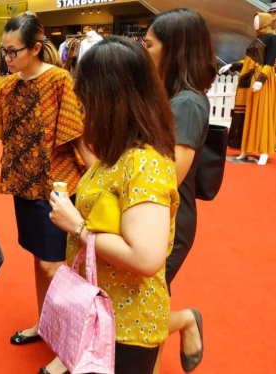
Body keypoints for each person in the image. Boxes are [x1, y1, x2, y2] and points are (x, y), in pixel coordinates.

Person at [0, 11, 95, 350]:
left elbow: (75, 137)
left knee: (55, 267)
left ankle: (71, 338)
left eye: (12, 51)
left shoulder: (60, 81)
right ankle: (46, 324)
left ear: (35, 48)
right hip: (24, 187)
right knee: (40, 261)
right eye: (3, 51)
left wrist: (98, 176)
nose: (6, 58)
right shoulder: (8, 87)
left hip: (57, 190)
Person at [48, 36, 180, 374]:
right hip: (102, 312)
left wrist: (76, 225)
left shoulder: (144, 162)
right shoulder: (115, 154)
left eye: (86, 102)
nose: (83, 111)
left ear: (110, 101)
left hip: (126, 327)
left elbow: (146, 257)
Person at [145, 8, 216, 373]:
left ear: (172, 49)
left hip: (170, 220)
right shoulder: (170, 95)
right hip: (157, 217)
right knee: (149, 298)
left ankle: (187, 320)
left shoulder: (187, 103)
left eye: (150, 44)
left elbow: (167, 176)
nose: (145, 50)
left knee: (145, 304)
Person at [218, 12, 276, 166]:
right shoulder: (256, 39)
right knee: (246, 114)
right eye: (254, 20)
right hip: (248, 80)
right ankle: (246, 148)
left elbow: (269, 61)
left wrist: (261, 80)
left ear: (265, 22)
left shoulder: (272, 38)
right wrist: (231, 65)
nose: (255, 23)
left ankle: (263, 151)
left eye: (258, 20)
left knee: (260, 113)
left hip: (260, 81)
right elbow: (249, 60)